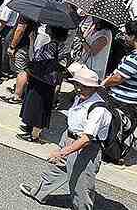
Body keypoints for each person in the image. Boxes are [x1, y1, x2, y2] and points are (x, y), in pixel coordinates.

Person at [19, 64, 112, 210]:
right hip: (69, 138)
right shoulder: (80, 97)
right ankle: (39, 193)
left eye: (85, 86)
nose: (80, 88)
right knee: (55, 169)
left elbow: (86, 139)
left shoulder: (98, 109)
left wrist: (61, 152)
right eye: (78, 84)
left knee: (81, 184)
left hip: (85, 148)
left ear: (94, 88)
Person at [19, 25, 69, 143]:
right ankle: (31, 128)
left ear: (53, 31)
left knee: (36, 105)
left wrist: (31, 41)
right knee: (41, 105)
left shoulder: (49, 47)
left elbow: (33, 58)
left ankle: (34, 135)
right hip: (49, 82)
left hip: (40, 79)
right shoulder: (63, 47)